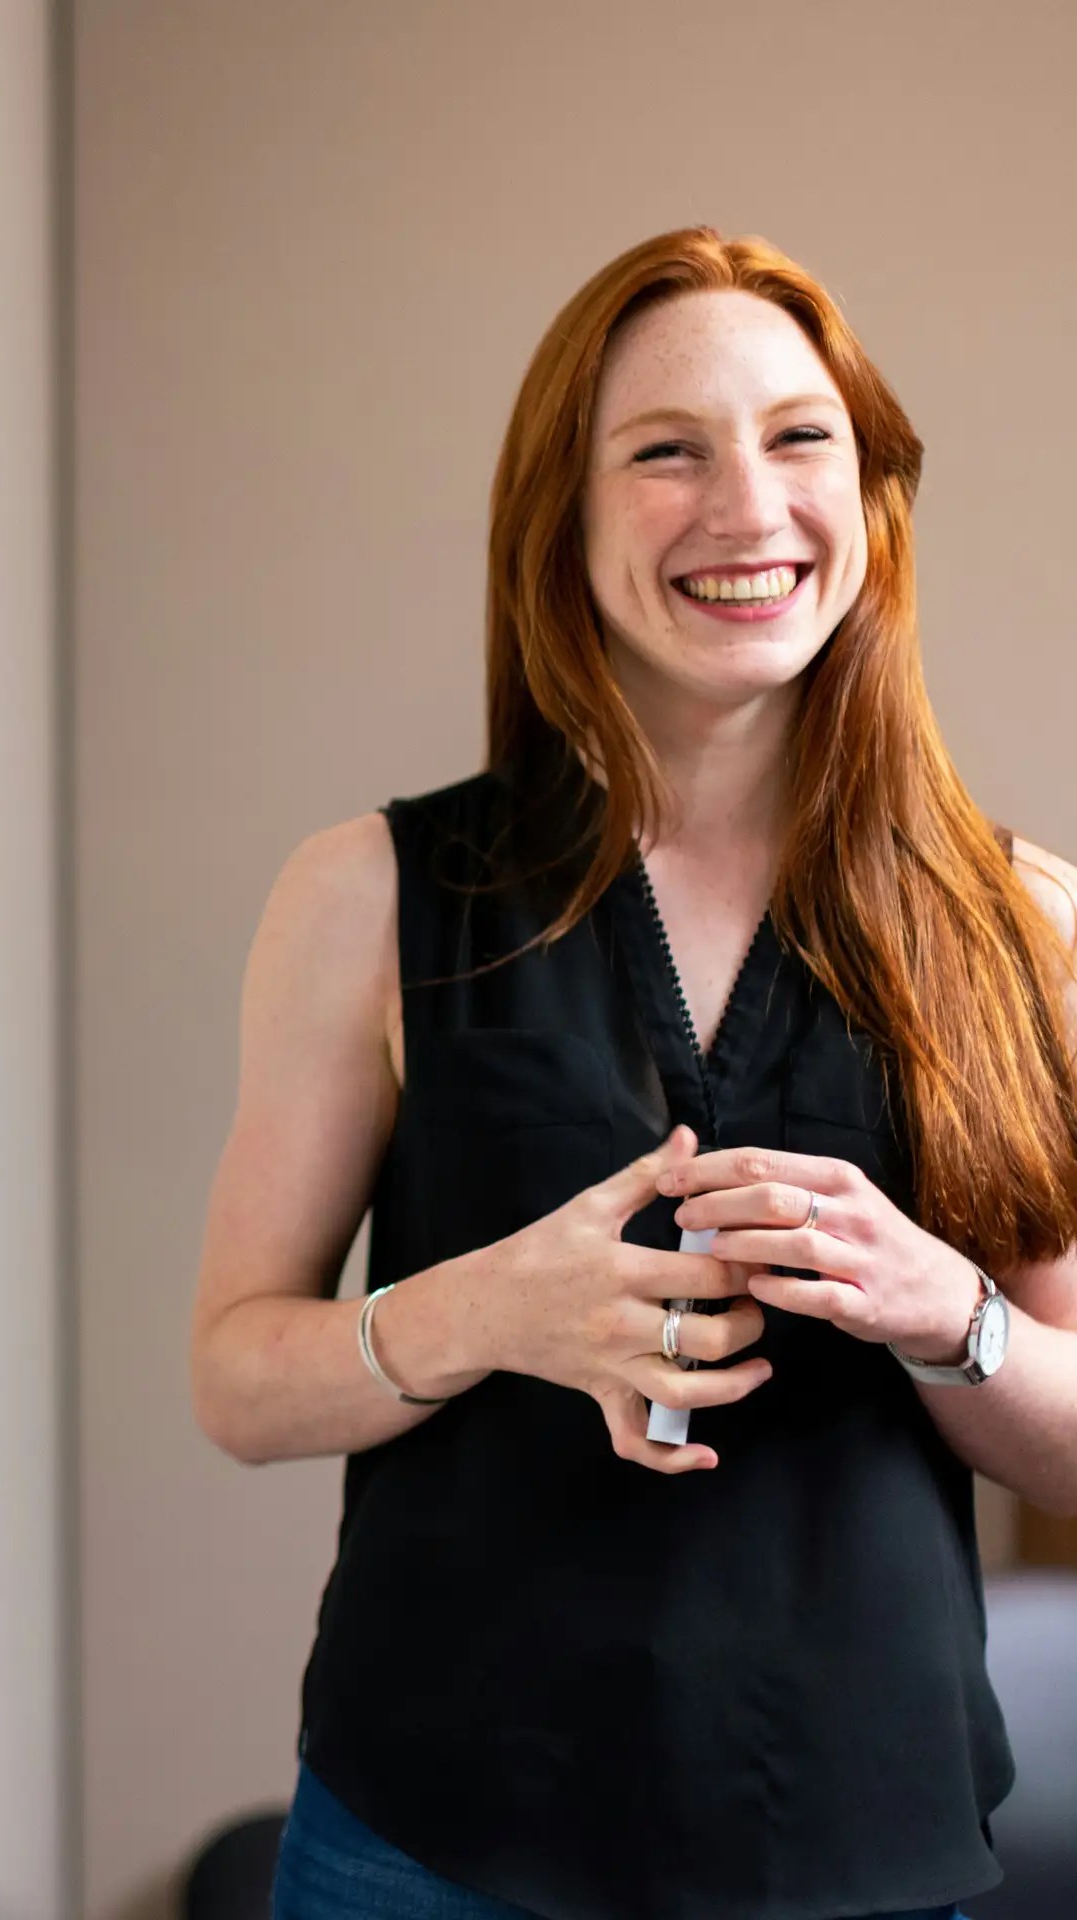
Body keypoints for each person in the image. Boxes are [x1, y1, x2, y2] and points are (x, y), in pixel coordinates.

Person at [189, 225, 1077, 1920]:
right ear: (565, 522)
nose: (747, 508)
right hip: (429, 1849)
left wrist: (946, 1309)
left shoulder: (1026, 926)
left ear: (870, 495)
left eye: (798, 438)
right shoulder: (370, 897)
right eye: (666, 451)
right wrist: (485, 1314)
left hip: (863, 1856)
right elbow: (236, 1376)